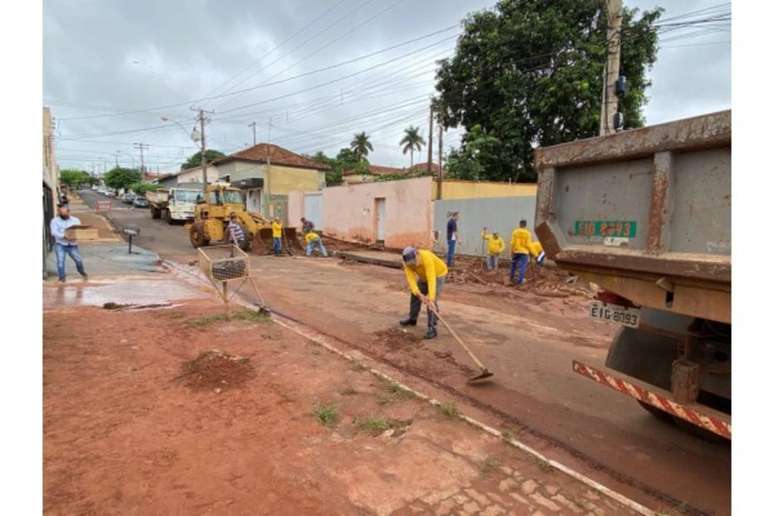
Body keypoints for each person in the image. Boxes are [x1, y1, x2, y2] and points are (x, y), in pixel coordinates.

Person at [399, 246, 448, 339]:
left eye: (414, 262)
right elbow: (411, 281)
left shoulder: (426, 257)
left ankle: (432, 328)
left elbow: (431, 279)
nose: (413, 265)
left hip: (438, 275)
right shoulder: (408, 264)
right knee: (414, 294)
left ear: (417, 254)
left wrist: (431, 297)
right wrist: (418, 294)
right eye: (410, 264)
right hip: (424, 276)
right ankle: (412, 318)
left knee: (431, 302)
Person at [49, 203, 88, 283]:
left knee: (78, 261)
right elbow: (53, 232)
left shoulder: (75, 220)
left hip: (72, 245)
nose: (62, 214)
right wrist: (63, 236)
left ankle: (83, 273)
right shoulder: (54, 221)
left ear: (68, 212)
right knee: (60, 262)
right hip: (60, 244)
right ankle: (62, 278)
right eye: (60, 213)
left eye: (64, 213)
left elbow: (79, 231)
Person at [510, 220, 533, 286]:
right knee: (522, 267)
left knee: (513, 265)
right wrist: (533, 253)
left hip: (516, 251)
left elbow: (513, 243)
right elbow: (528, 244)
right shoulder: (528, 233)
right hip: (524, 252)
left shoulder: (515, 231)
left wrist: (512, 252)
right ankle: (520, 281)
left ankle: (511, 278)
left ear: (519, 224)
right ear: (525, 225)